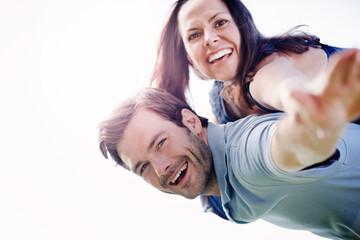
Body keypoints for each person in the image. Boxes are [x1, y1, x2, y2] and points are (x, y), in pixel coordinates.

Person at [99, 50, 360, 239]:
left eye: (160, 143)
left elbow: (285, 144)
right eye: (143, 167)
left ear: (190, 122)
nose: (161, 168)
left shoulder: (245, 154)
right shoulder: (214, 193)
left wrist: (314, 124)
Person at [150, 0, 360, 124]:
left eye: (220, 22)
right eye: (194, 35)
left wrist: (305, 103)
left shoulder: (266, 69)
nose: (209, 38)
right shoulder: (220, 98)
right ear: (188, 57)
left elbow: (284, 86)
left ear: (241, 27)